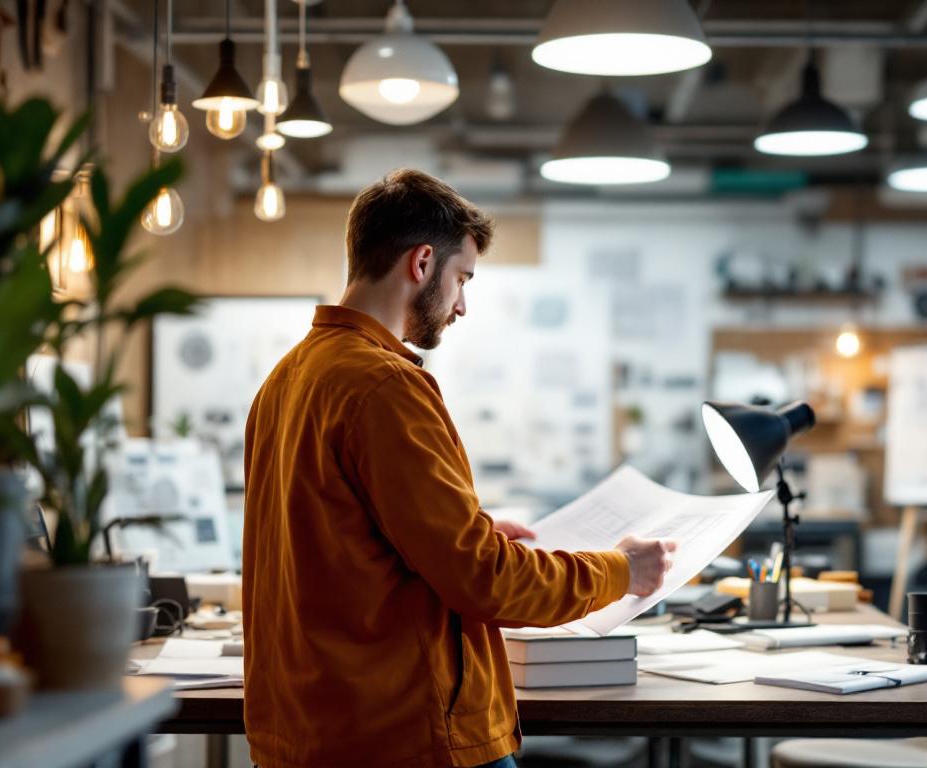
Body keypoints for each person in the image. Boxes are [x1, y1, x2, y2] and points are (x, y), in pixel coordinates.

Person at [243, 169, 677, 768]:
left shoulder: (288, 378)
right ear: (422, 263)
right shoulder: (386, 385)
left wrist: (466, 530)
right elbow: (482, 581)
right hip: (404, 739)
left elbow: (339, 542)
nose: (462, 306)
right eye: (462, 278)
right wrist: (620, 572)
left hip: (310, 732)